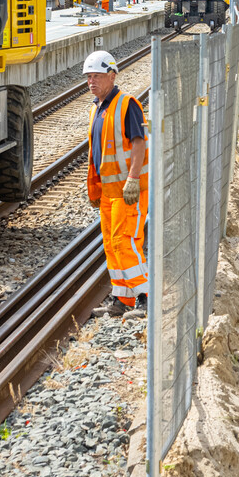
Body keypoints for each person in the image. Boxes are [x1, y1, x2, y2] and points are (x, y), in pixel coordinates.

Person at [84, 50, 147, 316]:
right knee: (111, 244)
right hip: (108, 193)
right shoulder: (97, 109)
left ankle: (145, 295)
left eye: (97, 76)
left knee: (127, 241)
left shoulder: (126, 104)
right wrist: (95, 188)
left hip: (128, 191)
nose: (91, 82)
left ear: (112, 75)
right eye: (88, 77)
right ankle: (123, 299)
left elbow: (138, 142)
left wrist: (133, 178)